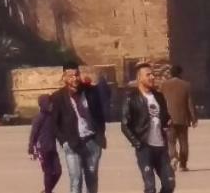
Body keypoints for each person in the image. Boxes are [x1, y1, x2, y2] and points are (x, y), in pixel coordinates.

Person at [50, 62, 107, 193]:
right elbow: (54, 123)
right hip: (72, 143)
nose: (74, 79)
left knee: (92, 178)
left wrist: (100, 134)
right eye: (70, 76)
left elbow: (100, 115)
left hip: (92, 140)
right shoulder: (57, 97)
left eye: (76, 75)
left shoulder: (90, 92)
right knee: (76, 179)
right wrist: (63, 141)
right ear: (64, 77)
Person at [120, 63, 175, 193]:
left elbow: (165, 116)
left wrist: (168, 122)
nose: (152, 77)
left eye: (153, 75)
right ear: (139, 78)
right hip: (145, 147)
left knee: (169, 184)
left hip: (161, 147)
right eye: (148, 75)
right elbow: (124, 124)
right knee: (150, 187)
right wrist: (137, 143)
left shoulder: (159, 96)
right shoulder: (131, 98)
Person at [161, 65, 196, 172]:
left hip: (169, 118)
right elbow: (190, 103)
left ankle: (173, 157)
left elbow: (161, 102)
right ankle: (183, 165)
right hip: (183, 118)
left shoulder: (164, 85)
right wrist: (193, 118)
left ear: (171, 73)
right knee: (183, 141)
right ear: (180, 73)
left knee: (170, 141)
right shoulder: (186, 85)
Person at [29, 94, 62, 193]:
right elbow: (33, 134)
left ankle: (47, 190)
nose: (51, 105)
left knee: (58, 172)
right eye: (49, 103)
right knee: (47, 173)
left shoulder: (52, 117)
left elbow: (57, 131)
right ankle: (48, 191)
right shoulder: (38, 118)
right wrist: (31, 149)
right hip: (42, 149)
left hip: (52, 148)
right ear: (43, 104)